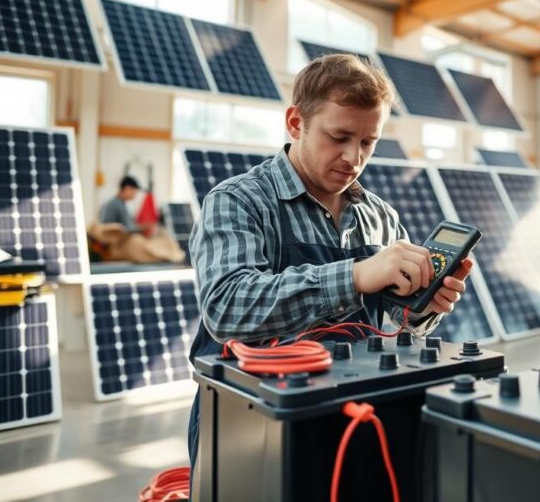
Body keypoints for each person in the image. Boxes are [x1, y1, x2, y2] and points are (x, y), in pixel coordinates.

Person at [185, 54, 473, 476]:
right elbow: (226, 308)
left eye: (367, 142)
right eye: (339, 136)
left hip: (358, 415)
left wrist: (425, 306)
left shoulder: (381, 216)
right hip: (253, 422)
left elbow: (392, 326)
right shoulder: (238, 201)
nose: (353, 158)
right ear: (296, 122)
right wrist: (356, 275)